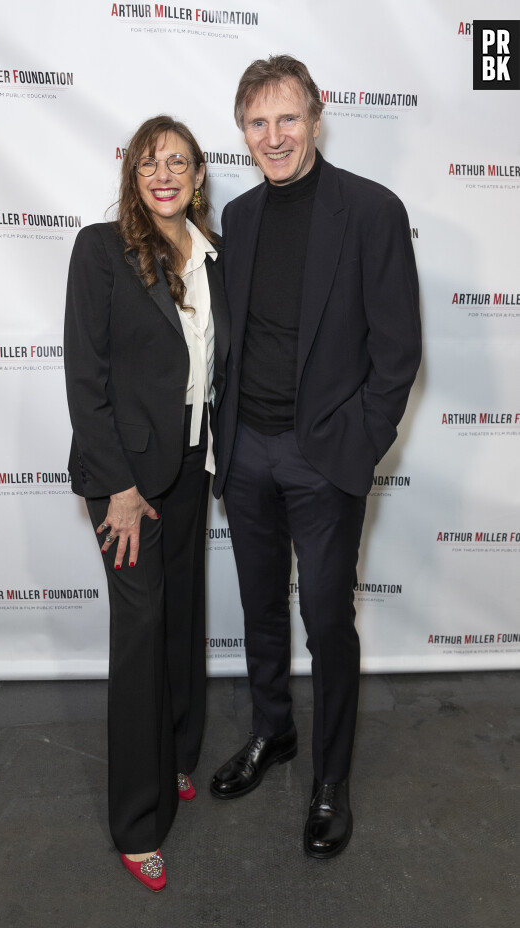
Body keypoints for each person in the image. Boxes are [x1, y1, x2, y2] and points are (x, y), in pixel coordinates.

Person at [210, 55, 421, 858]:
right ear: (244, 133)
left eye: (287, 118)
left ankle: (331, 779)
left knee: (327, 621)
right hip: (247, 452)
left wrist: (353, 447)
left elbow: (397, 352)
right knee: (260, 610)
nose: (274, 136)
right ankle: (275, 735)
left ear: (317, 114)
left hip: (322, 458)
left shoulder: (370, 211)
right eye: (257, 123)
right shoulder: (241, 217)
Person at [64, 115, 228, 890]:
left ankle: (176, 756)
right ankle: (137, 820)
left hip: (192, 467)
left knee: (182, 618)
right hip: (126, 478)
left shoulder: (213, 260)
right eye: (149, 163)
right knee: (140, 637)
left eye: (179, 162)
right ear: (133, 177)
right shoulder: (101, 252)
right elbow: (85, 379)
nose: (164, 174)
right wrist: (119, 488)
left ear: (198, 176)